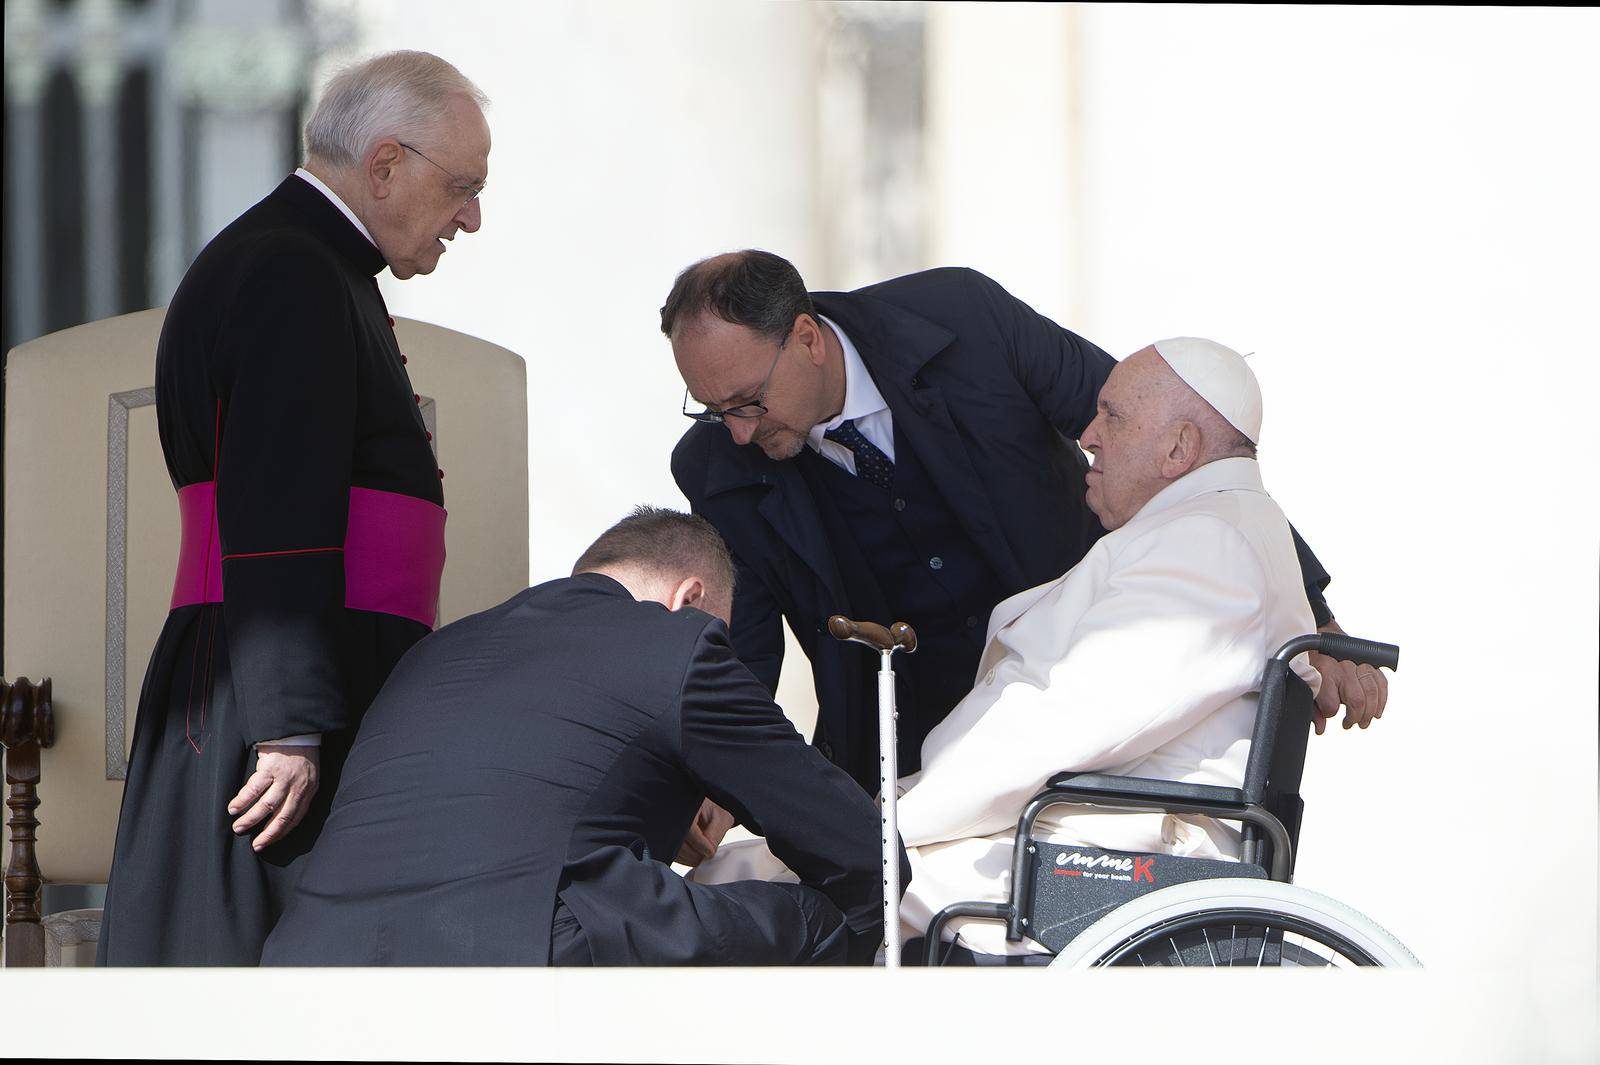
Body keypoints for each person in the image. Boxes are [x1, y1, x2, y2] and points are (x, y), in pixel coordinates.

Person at [666, 251, 1385, 808]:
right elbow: (745, 648)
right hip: (895, 746)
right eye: (711, 409)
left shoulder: (962, 321)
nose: (735, 432)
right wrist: (712, 786)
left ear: (806, 338)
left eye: (749, 401)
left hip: (1069, 692)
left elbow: (1176, 442)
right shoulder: (717, 468)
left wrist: (1315, 614)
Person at [98, 51, 491, 965]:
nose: (472, 217)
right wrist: (287, 724)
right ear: (385, 165)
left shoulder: (309, 262)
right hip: (279, 696)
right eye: (463, 186)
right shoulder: (294, 271)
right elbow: (278, 504)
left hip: (298, 675)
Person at [261, 508, 895, 966]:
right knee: (835, 912)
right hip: (520, 949)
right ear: (689, 596)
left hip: (314, 957)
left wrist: (660, 803)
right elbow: (858, 848)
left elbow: (520, 794)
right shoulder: (677, 641)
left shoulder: (442, 649)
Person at [895, 338, 1323, 960]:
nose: (1088, 435)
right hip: (1070, 831)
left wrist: (895, 825)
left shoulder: (1209, 542)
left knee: (782, 890)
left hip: (1103, 855)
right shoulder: (1208, 527)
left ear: (1180, 447)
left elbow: (1065, 721)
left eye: (1112, 415)